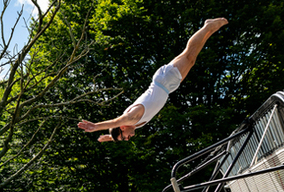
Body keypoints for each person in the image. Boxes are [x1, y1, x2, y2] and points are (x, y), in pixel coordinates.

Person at [78, 18, 229, 141]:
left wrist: (96, 126)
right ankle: (210, 30)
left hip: (163, 81)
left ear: (123, 127)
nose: (128, 138)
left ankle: (207, 27)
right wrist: (109, 137)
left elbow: (116, 122)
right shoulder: (135, 125)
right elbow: (118, 129)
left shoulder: (130, 118)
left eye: (125, 138)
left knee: (188, 55)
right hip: (167, 86)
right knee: (191, 59)